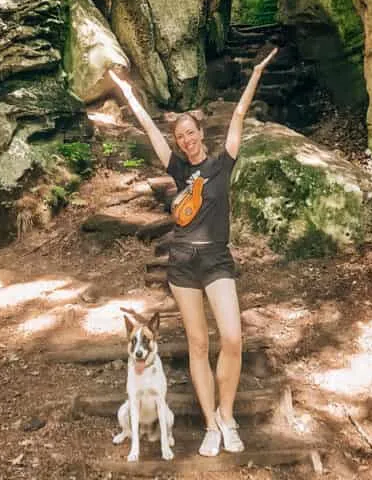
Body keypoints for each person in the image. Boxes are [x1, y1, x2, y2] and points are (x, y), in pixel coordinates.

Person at [109, 47, 278, 458]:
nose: (186, 140)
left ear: (201, 133)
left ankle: (227, 415)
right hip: (183, 263)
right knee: (198, 345)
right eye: (180, 136)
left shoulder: (223, 163)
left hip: (217, 259)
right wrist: (128, 95)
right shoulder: (179, 170)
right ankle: (209, 426)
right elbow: (149, 129)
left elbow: (238, 117)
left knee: (233, 339)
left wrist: (255, 72)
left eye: (190, 133)